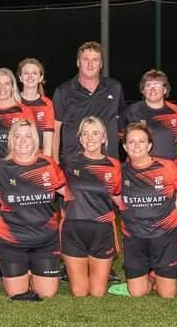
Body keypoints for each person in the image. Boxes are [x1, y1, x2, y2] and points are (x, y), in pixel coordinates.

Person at [0, 120, 68, 299]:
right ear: (11, 140)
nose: (23, 141)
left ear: (35, 140)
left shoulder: (47, 164)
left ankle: (32, 272)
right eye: (18, 136)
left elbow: (69, 193)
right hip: (11, 242)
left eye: (28, 136)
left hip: (45, 241)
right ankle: (20, 272)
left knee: (47, 293)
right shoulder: (1, 168)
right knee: (16, 294)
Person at [116, 122, 177, 298]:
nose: (136, 145)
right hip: (134, 237)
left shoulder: (167, 167)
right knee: (137, 293)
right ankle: (151, 278)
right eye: (131, 142)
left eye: (141, 141)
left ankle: (155, 274)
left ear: (150, 145)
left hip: (164, 237)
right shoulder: (119, 172)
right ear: (124, 146)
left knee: (167, 295)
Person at [61, 116, 122, 297]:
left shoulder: (114, 165)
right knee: (79, 292)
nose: (90, 138)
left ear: (104, 137)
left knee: (97, 293)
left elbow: (119, 199)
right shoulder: (68, 163)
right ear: (80, 139)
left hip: (102, 230)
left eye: (95, 133)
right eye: (85, 134)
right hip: (73, 229)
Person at [53, 41, 124, 161]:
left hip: (108, 162)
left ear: (101, 64)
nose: (90, 64)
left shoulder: (115, 87)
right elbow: (55, 129)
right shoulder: (63, 91)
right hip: (74, 164)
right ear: (78, 62)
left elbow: (123, 120)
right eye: (85, 59)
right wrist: (55, 162)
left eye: (95, 60)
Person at [121, 69, 177, 161]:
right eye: (148, 85)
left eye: (157, 85)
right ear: (142, 90)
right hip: (142, 167)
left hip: (171, 166)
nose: (152, 89)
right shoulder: (132, 110)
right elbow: (122, 139)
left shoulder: (174, 110)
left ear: (165, 90)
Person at [0, 68, 37, 159]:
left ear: (13, 87)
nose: (2, 88)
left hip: (14, 166)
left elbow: (32, 142)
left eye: (7, 84)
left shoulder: (23, 110)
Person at [17, 58, 56, 158]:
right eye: (26, 73)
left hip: (39, 158)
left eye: (34, 73)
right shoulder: (14, 101)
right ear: (20, 77)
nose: (30, 76)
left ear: (40, 77)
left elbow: (48, 140)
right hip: (16, 158)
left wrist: (46, 161)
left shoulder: (47, 103)